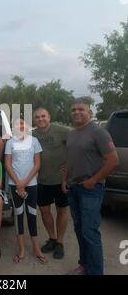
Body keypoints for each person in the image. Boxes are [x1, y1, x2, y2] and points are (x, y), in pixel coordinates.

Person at [63, 98, 119, 275]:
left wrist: (94, 180)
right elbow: (69, 160)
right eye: (73, 110)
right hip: (73, 187)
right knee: (80, 229)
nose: (77, 112)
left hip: (91, 190)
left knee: (90, 231)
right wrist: (65, 179)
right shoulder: (71, 133)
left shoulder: (98, 132)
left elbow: (113, 161)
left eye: (81, 109)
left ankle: (95, 271)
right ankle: (84, 265)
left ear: (90, 112)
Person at [5, 118, 48, 264]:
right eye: (17, 124)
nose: (20, 126)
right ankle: (22, 249)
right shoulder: (10, 142)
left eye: (22, 123)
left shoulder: (34, 141)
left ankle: (36, 248)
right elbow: (8, 164)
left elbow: (37, 164)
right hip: (15, 184)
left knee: (32, 214)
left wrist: (25, 182)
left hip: (31, 183)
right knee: (18, 216)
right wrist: (18, 183)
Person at [33, 108, 70, 259]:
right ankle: (52, 238)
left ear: (49, 117)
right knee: (44, 211)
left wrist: (69, 167)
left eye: (43, 116)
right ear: (34, 120)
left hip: (61, 180)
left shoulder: (63, 131)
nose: (40, 119)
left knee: (62, 210)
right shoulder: (32, 135)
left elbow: (77, 147)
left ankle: (60, 242)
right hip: (41, 180)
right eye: (37, 117)